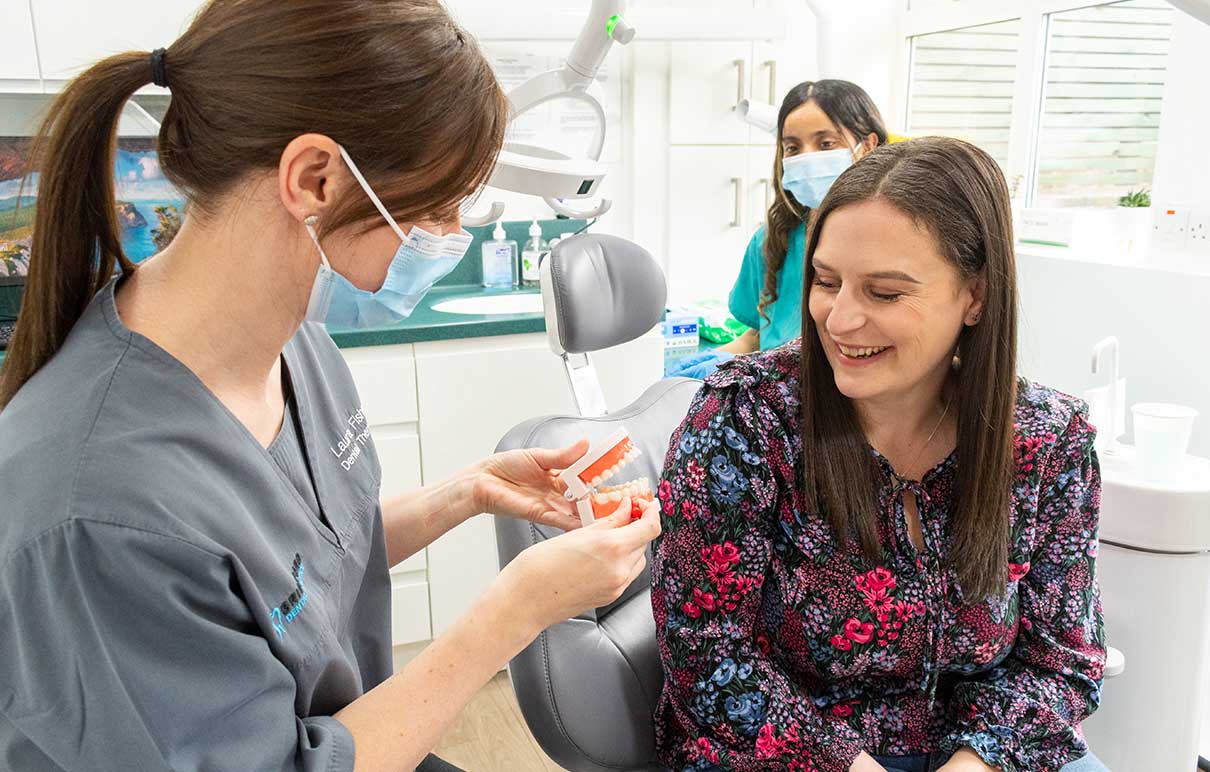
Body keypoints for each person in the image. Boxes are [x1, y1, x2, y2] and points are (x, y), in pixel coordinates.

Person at [0, 2, 660, 771]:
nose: (449, 238)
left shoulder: (297, 346)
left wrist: (468, 491)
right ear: (314, 178)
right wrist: (512, 615)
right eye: (440, 207)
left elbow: (292, 573)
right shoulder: (100, 511)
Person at [651, 137, 1108, 772]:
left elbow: (1061, 657)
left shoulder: (1046, 440)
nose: (838, 320)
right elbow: (707, 656)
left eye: (885, 293)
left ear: (975, 296)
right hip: (789, 755)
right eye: (826, 282)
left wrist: (975, 761)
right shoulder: (745, 420)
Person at [669, 80, 887, 380]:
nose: (806, 157)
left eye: (825, 144)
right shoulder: (773, 241)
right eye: (792, 148)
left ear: (868, 146)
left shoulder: (891, 242)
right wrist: (707, 366)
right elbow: (759, 337)